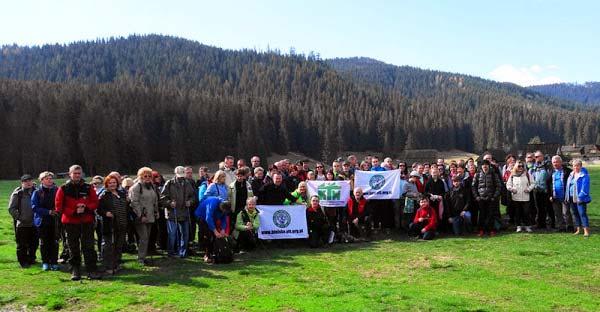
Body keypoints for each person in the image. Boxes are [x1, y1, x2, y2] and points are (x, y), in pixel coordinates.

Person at [55, 165, 100, 280]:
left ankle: (91, 269)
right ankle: (75, 269)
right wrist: (74, 211)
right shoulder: (63, 188)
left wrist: (86, 207)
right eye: (75, 173)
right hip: (70, 222)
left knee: (89, 246)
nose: (77, 175)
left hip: (87, 221)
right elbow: (59, 206)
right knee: (73, 247)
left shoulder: (88, 187)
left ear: (82, 174)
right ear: (70, 174)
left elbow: (95, 202)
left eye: (79, 173)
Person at [160, 166, 196, 258]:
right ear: (175, 174)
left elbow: (193, 196)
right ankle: (171, 253)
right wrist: (169, 203)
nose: (181, 177)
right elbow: (162, 198)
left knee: (185, 235)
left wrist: (190, 202)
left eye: (182, 175)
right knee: (172, 234)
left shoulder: (187, 183)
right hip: (172, 213)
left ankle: (183, 253)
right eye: (179, 175)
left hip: (184, 212)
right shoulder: (169, 183)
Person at [97, 175, 128, 274]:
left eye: (114, 182)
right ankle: (108, 266)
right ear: (106, 184)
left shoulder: (121, 193)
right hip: (110, 224)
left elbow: (127, 207)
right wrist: (106, 213)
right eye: (110, 183)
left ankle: (117, 264)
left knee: (119, 245)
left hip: (122, 223)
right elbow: (99, 209)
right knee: (109, 246)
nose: (112, 184)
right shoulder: (104, 195)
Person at [130, 167, 159, 266]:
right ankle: (141, 258)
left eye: (149, 176)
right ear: (140, 176)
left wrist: (156, 211)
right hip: (140, 217)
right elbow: (134, 202)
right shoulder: (136, 187)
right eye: (145, 176)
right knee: (144, 237)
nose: (147, 178)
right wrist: (140, 215)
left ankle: (143, 256)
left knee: (147, 237)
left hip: (150, 216)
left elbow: (154, 200)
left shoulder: (151, 186)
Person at [31, 171, 59, 271]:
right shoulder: (37, 192)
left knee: (55, 242)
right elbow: (34, 207)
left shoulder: (57, 190)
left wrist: (56, 211)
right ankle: (45, 262)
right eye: (47, 178)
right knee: (44, 242)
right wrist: (48, 212)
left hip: (55, 220)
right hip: (42, 221)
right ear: (42, 180)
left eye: (51, 178)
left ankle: (54, 262)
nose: (49, 180)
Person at [8, 174, 37, 268]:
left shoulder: (37, 192)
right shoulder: (17, 194)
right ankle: (23, 262)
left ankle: (31, 259)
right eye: (26, 181)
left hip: (35, 223)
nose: (28, 183)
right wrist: (20, 218)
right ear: (22, 183)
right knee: (22, 245)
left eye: (30, 181)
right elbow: (11, 209)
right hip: (22, 224)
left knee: (34, 243)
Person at [472, 160, 501, 237]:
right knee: (481, 215)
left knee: (490, 215)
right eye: (483, 165)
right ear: (481, 166)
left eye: (486, 165)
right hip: (481, 198)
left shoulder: (493, 174)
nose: (485, 166)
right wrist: (476, 197)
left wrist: (494, 196)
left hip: (491, 198)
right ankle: (481, 230)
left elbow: (498, 186)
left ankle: (491, 230)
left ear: (489, 166)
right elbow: (473, 186)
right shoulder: (477, 174)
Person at [506, 160, 534, 233]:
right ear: (516, 167)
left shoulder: (527, 174)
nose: (521, 167)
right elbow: (508, 185)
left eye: (522, 166)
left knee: (526, 212)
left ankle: (527, 226)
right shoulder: (512, 175)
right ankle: (518, 226)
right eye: (519, 166)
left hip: (525, 197)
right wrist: (512, 189)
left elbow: (533, 183)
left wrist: (528, 189)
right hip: (516, 197)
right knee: (517, 212)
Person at [565, 159, 592, 237]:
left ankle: (586, 231)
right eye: (574, 166)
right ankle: (578, 229)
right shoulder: (571, 174)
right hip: (571, 197)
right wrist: (567, 196)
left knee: (582, 213)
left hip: (580, 198)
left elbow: (585, 188)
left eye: (577, 165)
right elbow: (568, 186)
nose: (576, 167)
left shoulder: (584, 175)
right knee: (575, 213)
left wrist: (580, 197)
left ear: (581, 166)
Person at [529, 151, 553, 230]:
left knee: (548, 208)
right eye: (535, 157)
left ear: (542, 156)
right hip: (536, 190)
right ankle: (540, 224)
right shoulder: (534, 166)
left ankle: (551, 224)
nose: (536, 158)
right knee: (538, 208)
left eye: (538, 156)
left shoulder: (547, 165)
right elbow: (530, 175)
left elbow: (549, 176)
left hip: (546, 190)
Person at [550, 155, 573, 232]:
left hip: (565, 196)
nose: (555, 164)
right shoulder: (551, 172)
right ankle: (561, 227)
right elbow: (548, 184)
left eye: (557, 162)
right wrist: (550, 195)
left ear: (561, 162)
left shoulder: (568, 171)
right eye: (553, 162)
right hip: (555, 196)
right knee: (558, 213)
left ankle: (569, 227)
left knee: (566, 212)